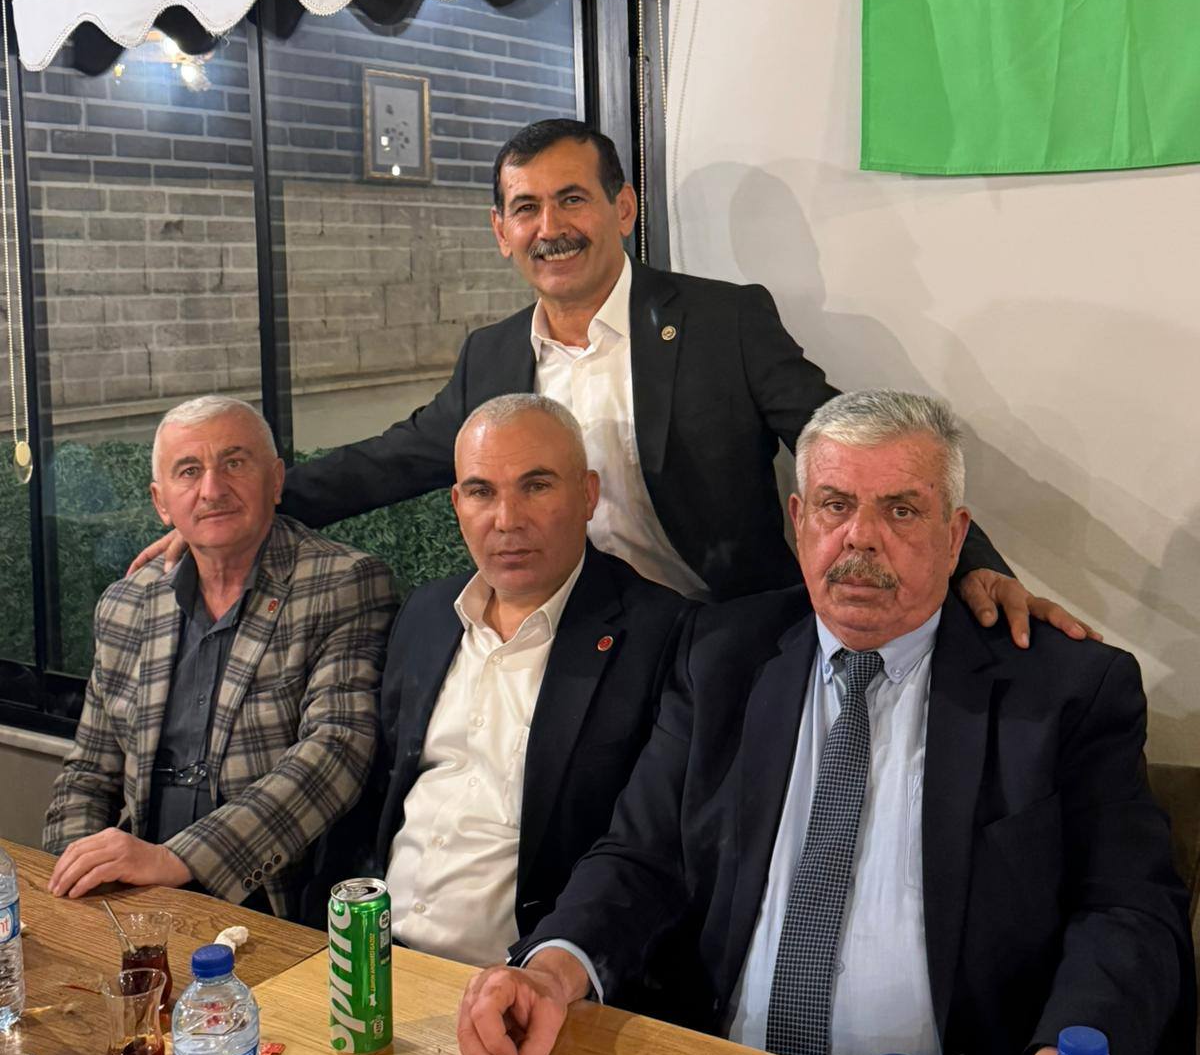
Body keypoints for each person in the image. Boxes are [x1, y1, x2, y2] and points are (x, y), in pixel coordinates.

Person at [456, 392, 1196, 1055]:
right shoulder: (723, 655)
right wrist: (552, 970)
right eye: (835, 505)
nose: (860, 538)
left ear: (953, 536)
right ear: (799, 520)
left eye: (901, 511)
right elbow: (642, 854)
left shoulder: (1065, 689)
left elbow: (1128, 908)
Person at [131, 120, 1086, 644]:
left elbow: (855, 447)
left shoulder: (724, 322)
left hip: (722, 631)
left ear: (623, 208)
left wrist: (975, 561)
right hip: (576, 636)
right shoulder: (491, 357)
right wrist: (234, 510)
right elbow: (392, 460)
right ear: (501, 232)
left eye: (572, 199)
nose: (550, 227)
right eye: (525, 208)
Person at [311, 392, 690, 965]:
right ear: (456, 503)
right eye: (481, 492)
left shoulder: (662, 636)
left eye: (536, 486)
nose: (507, 519)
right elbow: (375, 793)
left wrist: (551, 967)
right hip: (373, 957)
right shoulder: (426, 615)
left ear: (588, 495)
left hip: (522, 973)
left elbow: (648, 847)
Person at [43, 395, 396, 917]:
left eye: (234, 463)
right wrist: (73, 884)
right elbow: (89, 772)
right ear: (162, 503)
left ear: (275, 480)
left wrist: (177, 859)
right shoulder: (126, 604)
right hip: (134, 895)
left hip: (268, 899)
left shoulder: (342, 583)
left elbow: (335, 752)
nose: (212, 489)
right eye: (189, 471)